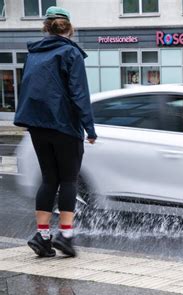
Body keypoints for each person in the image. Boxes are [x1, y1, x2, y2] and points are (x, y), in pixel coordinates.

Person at [13, 6, 97, 257]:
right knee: (68, 180)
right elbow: (79, 94)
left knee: (49, 178)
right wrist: (89, 128)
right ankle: (66, 236)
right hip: (64, 126)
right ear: (69, 29)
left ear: (45, 28)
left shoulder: (34, 54)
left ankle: (43, 236)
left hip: (38, 126)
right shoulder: (71, 53)